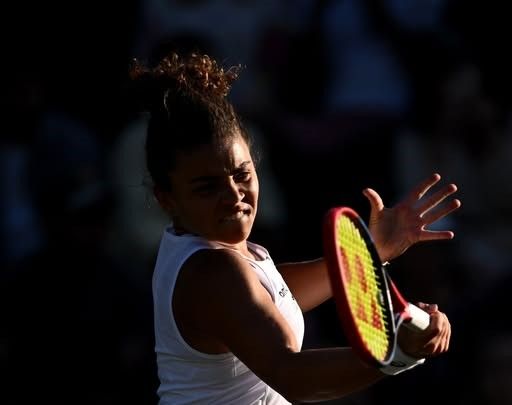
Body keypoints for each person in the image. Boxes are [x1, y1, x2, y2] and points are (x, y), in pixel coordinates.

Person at [128, 52, 460, 404]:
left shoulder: (216, 256)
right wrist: (397, 354)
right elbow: (292, 376)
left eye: (242, 174)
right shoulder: (214, 270)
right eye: (206, 187)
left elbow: (272, 297)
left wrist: (369, 253)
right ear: (167, 198)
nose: (233, 194)